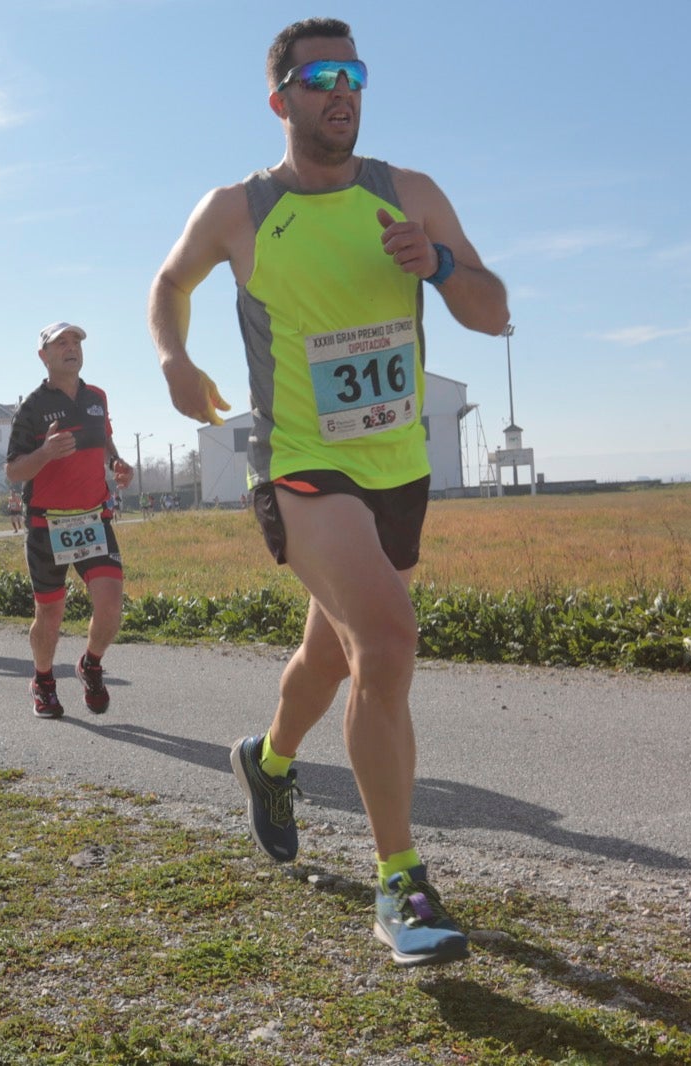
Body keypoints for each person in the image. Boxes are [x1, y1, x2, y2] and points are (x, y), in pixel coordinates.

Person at [147, 17, 510, 967]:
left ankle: (265, 763)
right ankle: (403, 887)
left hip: (397, 473)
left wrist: (435, 264)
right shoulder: (240, 208)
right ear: (282, 101)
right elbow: (169, 280)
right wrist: (174, 358)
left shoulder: (409, 194)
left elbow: (495, 309)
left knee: (335, 654)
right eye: (318, 79)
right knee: (386, 641)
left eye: (353, 75)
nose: (340, 91)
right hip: (303, 466)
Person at [6, 321, 135, 718]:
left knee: (111, 606)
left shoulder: (97, 396)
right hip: (48, 524)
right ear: (43, 356)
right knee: (50, 614)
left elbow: (104, 438)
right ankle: (43, 680)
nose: (71, 347)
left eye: (76, 341)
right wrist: (44, 453)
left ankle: (90, 665)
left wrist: (116, 462)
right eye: (60, 343)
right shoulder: (31, 408)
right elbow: (14, 471)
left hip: (94, 517)